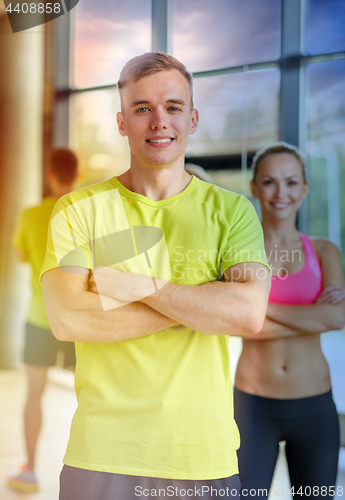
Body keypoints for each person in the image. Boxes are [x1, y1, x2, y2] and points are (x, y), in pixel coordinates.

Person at [41, 52, 271, 500]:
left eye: (173, 106)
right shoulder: (77, 211)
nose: (159, 121)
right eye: (142, 108)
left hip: (202, 455)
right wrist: (204, 303)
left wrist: (140, 287)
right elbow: (70, 319)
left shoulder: (232, 212)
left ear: (194, 118)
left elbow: (246, 314)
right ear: (122, 122)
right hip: (102, 453)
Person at [234, 142, 345, 500]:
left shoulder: (325, 250)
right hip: (251, 407)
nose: (281, 193)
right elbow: (231, 322)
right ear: (254, 188)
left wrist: (259, 307)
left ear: (305, 188)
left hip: (314, 407)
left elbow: (337, 316)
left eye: (291, 182)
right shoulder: (237, 252)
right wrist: (313, 317)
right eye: (269, 182)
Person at [8, 148, 78, 493]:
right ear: (76, 176)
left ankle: (31, 470)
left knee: (34, 394)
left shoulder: (31, 214)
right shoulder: (84, 214)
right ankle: (91, 473)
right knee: (92, 396)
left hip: (40, 316)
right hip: (79, 319)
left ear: (50, 174)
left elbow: (22, 256)